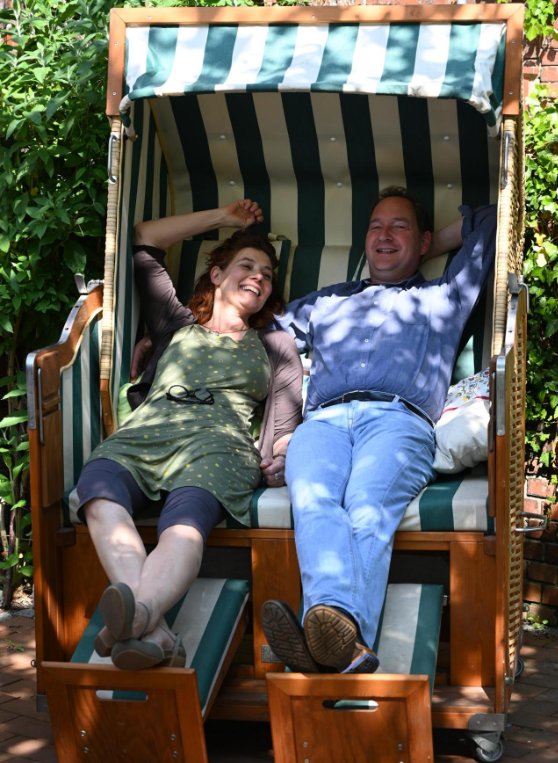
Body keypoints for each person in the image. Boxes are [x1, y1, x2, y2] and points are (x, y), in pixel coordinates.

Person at [261, 186, 496, 675]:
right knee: (313, 501)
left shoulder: (443, 296)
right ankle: (343, 642)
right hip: (322, 421)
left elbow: (491, 221)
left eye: (399, 227)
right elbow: (263, 334)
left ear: (424, 241)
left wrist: (429, 246)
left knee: (367, 506)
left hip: (398, 421)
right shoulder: (326, 301)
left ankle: (331, 628)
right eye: (376, 227)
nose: (384, 236)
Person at [76, 200, 303, 670]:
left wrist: (283, 455)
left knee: (185, 520)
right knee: (97, 488)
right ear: (216, 275)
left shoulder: (276, 345)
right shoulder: (175, 324)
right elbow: (145, 240)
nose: (258, 277)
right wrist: (225, 218)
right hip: (147, 433)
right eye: (246, 266)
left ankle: (137, 615)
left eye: (267, 274)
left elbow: (284, 424)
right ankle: (153, 630)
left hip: (219, 444)